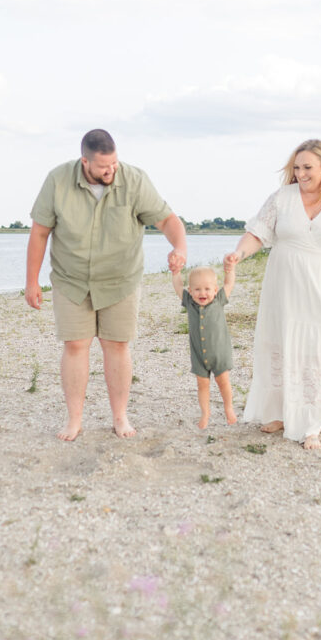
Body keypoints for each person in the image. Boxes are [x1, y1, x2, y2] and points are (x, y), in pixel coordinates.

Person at [25, 129, 186, 441]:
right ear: (85, 162)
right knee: (75, 346)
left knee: (117, 345)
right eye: (103, 167)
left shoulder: (135, 180)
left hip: (120, 279)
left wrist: (179, 248)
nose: (111, 170)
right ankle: (74, 420)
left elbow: (167, 220)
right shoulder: (57, 180)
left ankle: (120, 417)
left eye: (114, 164)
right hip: (71, 280)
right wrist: (32, 282)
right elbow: (40, 232)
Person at [224, 138, 321, 450]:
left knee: (320, 352)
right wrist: (239, 253)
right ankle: (279, 412)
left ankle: (312, 424)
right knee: (282, 343)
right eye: (296, 167)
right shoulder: (282, 197)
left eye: (307, 167)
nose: (301, 173)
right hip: (285, 287)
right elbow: (257, 234)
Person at [172, 265, 237, 429]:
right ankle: (205, 413)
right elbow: (178, 287)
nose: (203, 293)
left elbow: (229, 284)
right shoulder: (189, 303)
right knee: (202, 384)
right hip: (199, 355)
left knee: (223, 382)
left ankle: (228, 408)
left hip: (219, 353)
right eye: (197, 289)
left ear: (215, 290)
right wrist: (176, 272)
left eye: (207, 289)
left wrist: (230, 269)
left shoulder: (219, 300)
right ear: (191, 291)